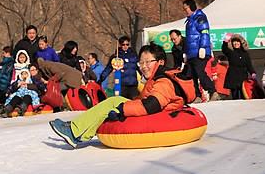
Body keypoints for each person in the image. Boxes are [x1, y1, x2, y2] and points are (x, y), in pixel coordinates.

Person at [49, 42, 192, 149]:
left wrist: (122, 109)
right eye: (141, 62)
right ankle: (78, 127)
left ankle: (74, 131)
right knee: (115, 100)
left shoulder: (163, 81)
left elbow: (152, 104)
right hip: (152, 109)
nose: (143, 66)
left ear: (160, 62)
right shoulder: (156, 78)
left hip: (156, 114)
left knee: (114, 102)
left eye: (148, 62)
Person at [182, 0, 219, 102]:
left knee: (199, 72)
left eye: (186, 8)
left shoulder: (200, 18)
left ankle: (213, 91)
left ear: (192, 7)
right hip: (192, 53)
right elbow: (189, 38)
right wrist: (186, 52)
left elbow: (205, 33)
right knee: (191, 74)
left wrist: (203, 47)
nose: (185, 11)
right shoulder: (189, 21)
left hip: (200, 51)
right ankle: (197, 95)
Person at [222, 33, 256, 100]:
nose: (236, 43)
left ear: (241, 43)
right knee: (235, 95)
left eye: (237, 41)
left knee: (244, 93)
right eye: (234, 42)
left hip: (243, 75)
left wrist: (252, 72)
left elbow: (249, 64)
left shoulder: (245, 53)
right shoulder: (230, 52)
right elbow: (224, 49)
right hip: (233, 75)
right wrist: (225, 41)